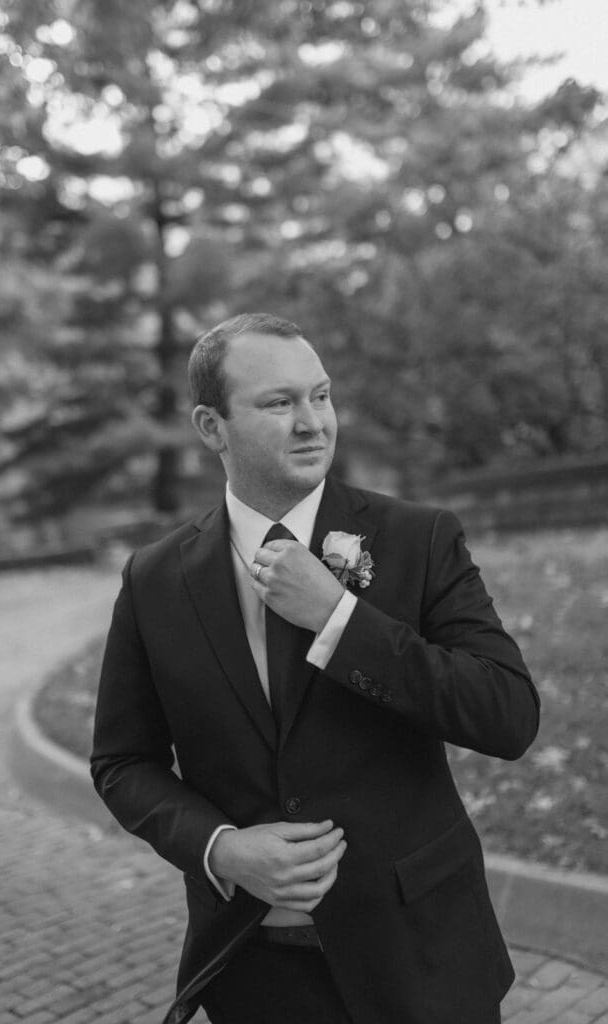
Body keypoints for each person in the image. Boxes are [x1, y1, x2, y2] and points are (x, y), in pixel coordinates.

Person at [90, 312, 540, 1024]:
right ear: (212, 427)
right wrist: (221, 849)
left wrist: (340, 619)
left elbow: (507, 715)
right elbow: (121, 761)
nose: (313, 422)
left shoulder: (418, 538)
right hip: (254, 972)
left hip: (420, 955)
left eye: (320, 395)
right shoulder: (153, 580)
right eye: (278, 403)